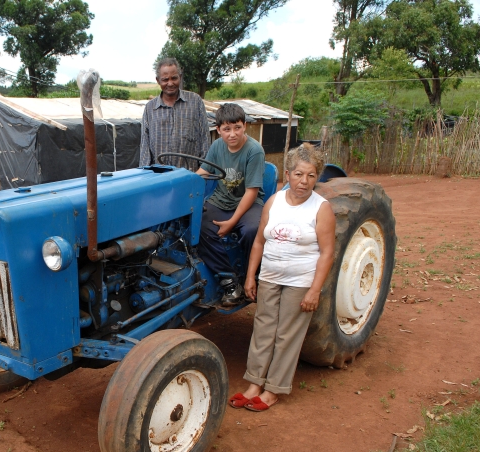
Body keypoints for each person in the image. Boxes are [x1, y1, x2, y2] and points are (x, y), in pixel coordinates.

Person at [227, 143, 336, 412]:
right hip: (271, 276)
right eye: (299, 174)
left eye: (311, 175)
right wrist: (251, 276)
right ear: (287, 174)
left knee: (287, 334)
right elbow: (259, 243)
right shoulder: (274, 202)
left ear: (317, 177)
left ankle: (274, 388)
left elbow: (327, 253)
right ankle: (254, 383)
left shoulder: (321, 209)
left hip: (300, 281)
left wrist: (315, 290)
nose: (304, 181)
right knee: (263, 329)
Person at [196, 103, 265, 306]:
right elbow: (204, 172)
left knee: (252, 230)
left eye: (237, 127)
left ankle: (253, 277)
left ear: (245, 126)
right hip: (221, 200)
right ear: (218, 130)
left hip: (249, 203)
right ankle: (229, 280)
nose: (232, 134)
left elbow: (251, 191)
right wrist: (186, 183)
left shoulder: (254, 151)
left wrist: (233, 221)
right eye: (226, 129)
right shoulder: (217, 146)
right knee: (195, 225)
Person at [139, 58, 209, 171]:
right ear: (158, 80)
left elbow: (204, 139)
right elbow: (145, 146)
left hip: (189, 176)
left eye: (174, 78)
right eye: (165, 79)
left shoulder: (195, 101)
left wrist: (203, 172)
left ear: (180, 77)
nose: (170, 83)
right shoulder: (150, 108)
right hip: (159, 178)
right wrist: (144, 174)